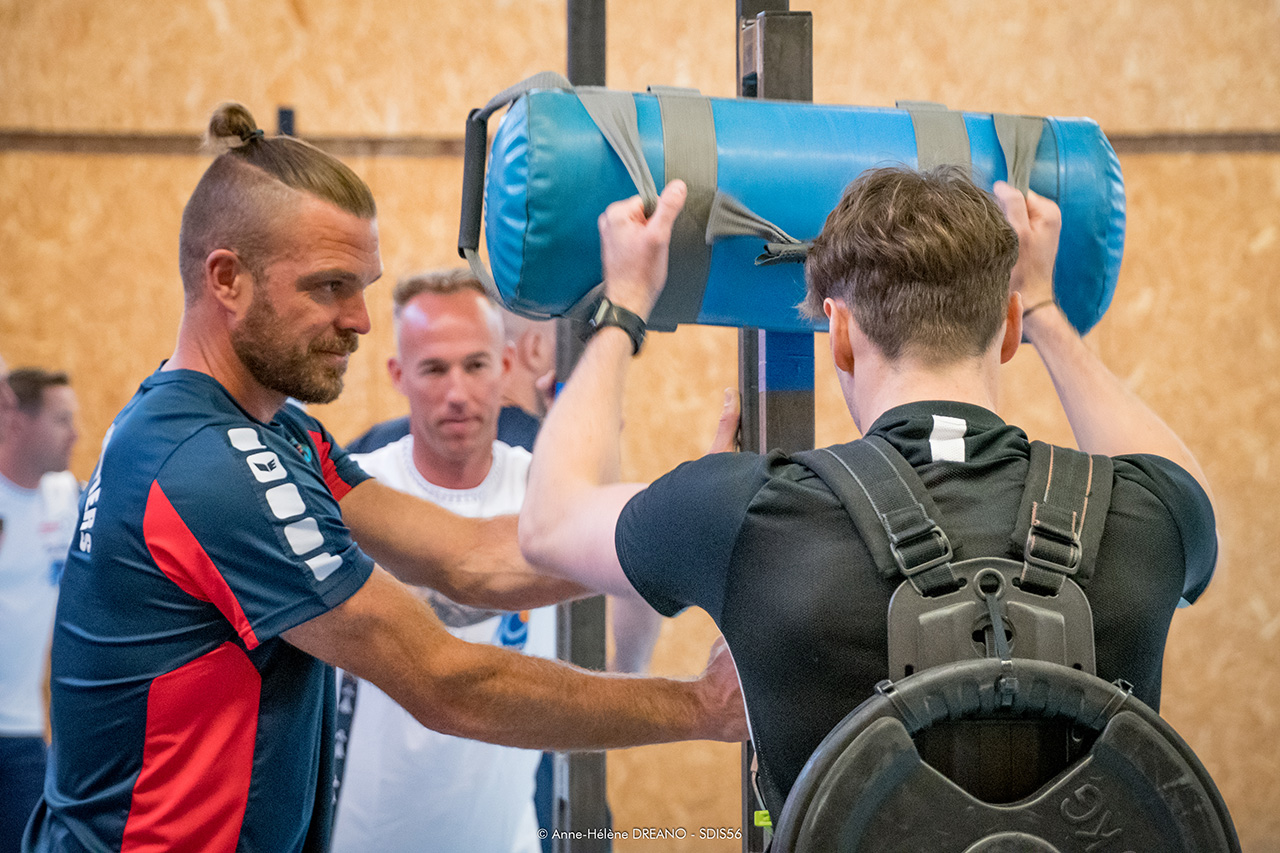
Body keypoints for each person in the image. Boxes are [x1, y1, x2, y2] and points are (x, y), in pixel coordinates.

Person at [24, 104, 746, 853]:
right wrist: (699, 707)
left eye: (362, 286)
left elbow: (471, 558)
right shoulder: (207, 467)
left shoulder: (271, 432)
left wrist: (690, 526)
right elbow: (445, 681)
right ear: (228, 279)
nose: (360, 320)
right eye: (329, 287)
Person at [519, 167, 1218, 814]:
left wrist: (624, 304)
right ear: (1006, 330)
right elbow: (1186, 483)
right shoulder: (1148, 513)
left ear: (842, 334)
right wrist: (1044, 308)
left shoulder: (745, 514)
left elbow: (548, 522)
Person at [330, 270, 562, 852]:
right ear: (398, 375)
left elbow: (634, 558)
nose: (457, 392)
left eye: (475, 365)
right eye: (434, 369)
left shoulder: (549, 490)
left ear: (505, 365)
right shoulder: (356, 493)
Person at [0, 368, 80, 853]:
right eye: (61, 419)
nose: (75, 434)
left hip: (25, 732)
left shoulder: (66, 498)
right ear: (17, 422)